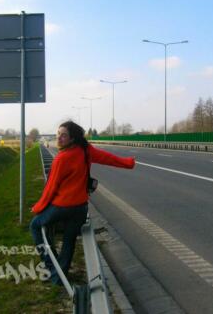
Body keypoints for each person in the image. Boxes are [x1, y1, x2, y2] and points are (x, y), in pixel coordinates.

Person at [30, 121, 135, 285]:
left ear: (72, 138)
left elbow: (50, 189)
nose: (59, 138)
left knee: (35, 226)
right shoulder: (86, 150)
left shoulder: (61, 159)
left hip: (62, 207)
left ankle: (52, 268)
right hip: (80, 208)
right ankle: (60, 276)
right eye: (58, 134)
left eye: (63, 135)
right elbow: (107, 158)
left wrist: (38, 207)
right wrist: (127, 163)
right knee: (69, 241)